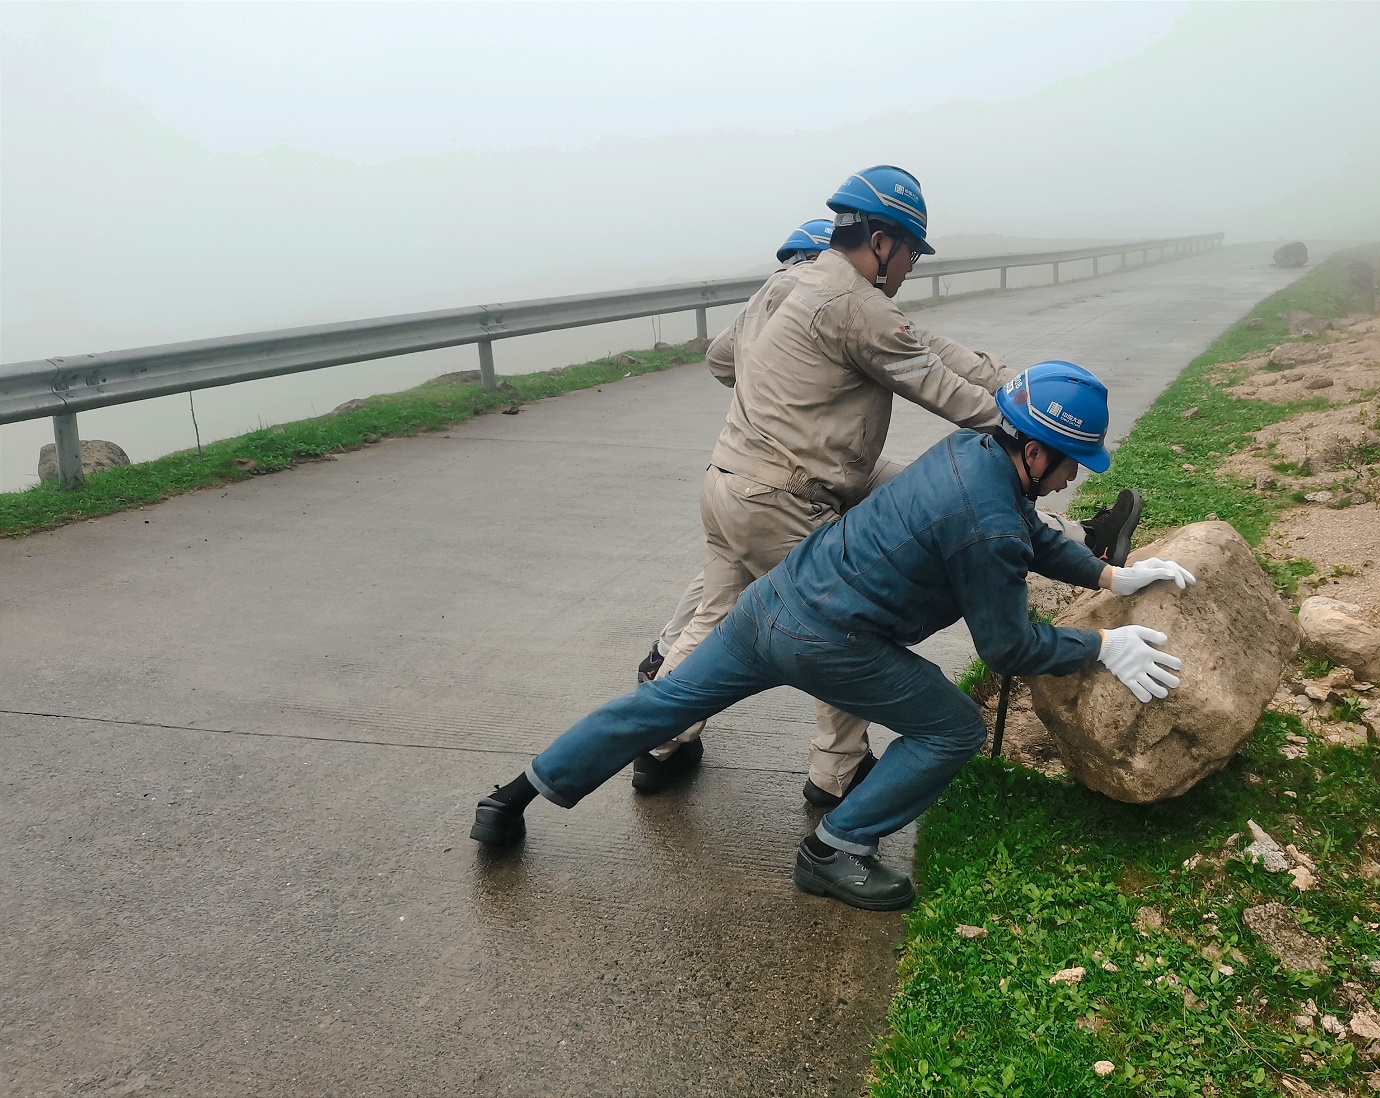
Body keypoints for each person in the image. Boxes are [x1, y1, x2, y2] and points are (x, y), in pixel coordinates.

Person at [472, 361, 1194, 911]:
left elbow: (1031, 533)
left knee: (658, 707)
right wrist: (1102, 647)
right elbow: (1008, 649)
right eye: (1071, 462)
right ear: (1035, 451)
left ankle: (511, 798)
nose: (1072, 479)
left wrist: (1106, 581)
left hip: (773, 601)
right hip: (829, 639)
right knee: (948, 728)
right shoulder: (989, 523)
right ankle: (833, 848)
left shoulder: (971, 452)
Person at [630, 170, 1145, 808]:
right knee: (836, 626)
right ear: (880, 240)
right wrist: (1030, 428)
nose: (909, 270)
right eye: (909, 254)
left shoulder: (789, 286)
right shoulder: (853, 303)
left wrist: (783, 395)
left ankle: (658, 745)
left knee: (718, 613)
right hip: (790, 491)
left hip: (733, 482)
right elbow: (941, 387)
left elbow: (722, 361)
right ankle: (837, 773)